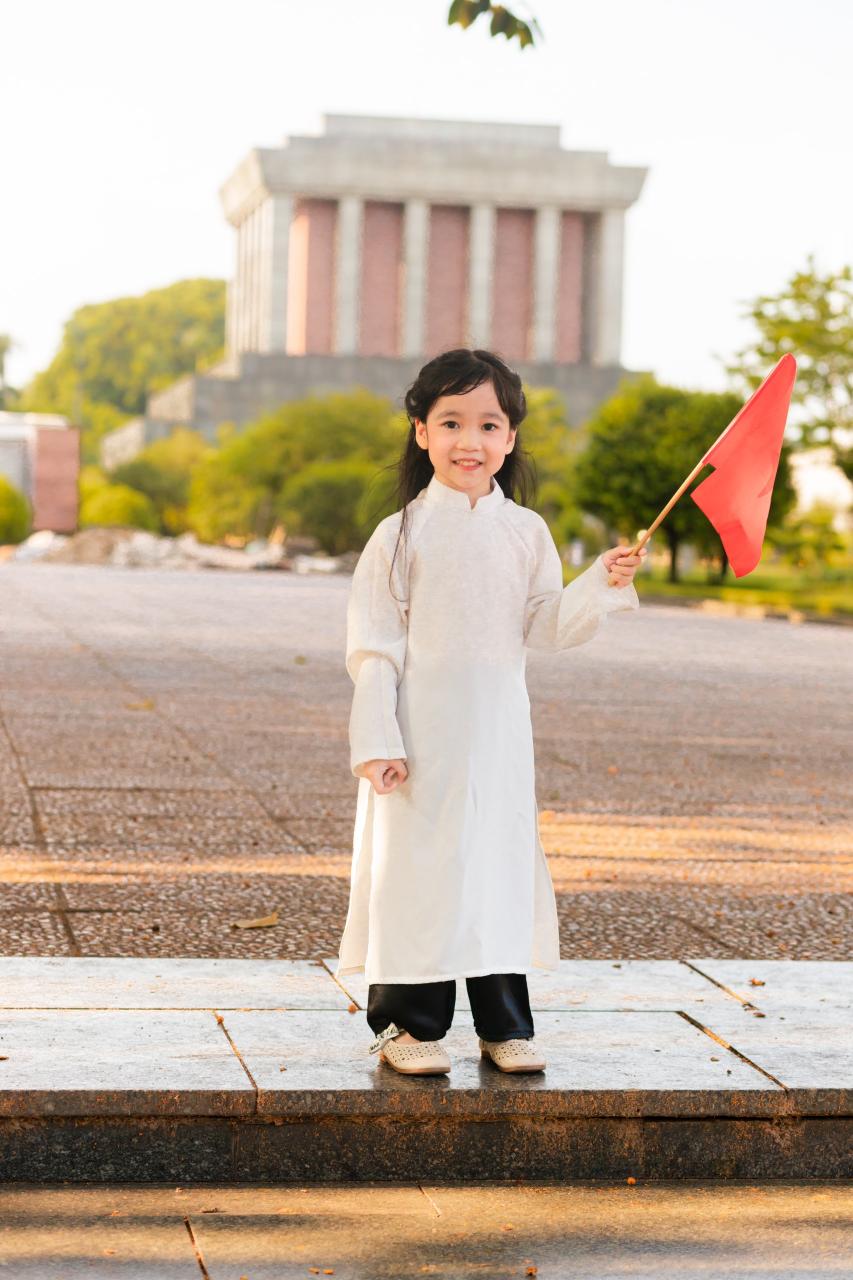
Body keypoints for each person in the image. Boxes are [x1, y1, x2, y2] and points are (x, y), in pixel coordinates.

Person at [335, 348, 646, 1076]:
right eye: (450, 422)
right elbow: (372, 647)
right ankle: (408, 1027)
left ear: (510, 438)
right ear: (420, 432)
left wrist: (599, 581)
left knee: (496, 866)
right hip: (418, 735)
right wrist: (378, 738)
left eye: (487, 424)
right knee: (416, 872)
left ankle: (503, 1023)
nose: (468, 441)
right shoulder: (400, 535)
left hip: (499, 735)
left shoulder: (525, 533)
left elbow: (545, 625)